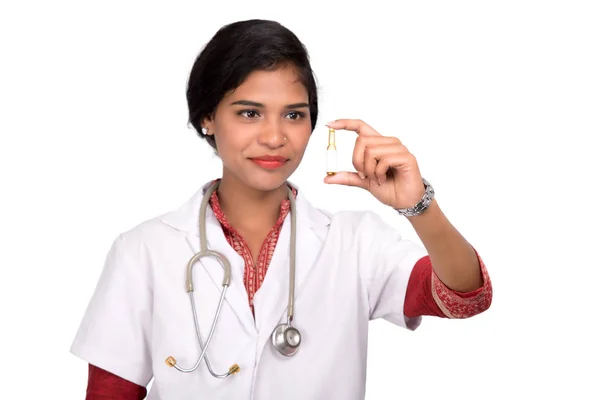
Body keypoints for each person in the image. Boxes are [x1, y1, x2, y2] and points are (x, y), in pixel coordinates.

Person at [71, 19, 492, 400]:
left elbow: (466, 297)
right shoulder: (144, 250)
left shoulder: (355, 242)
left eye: (293, 114)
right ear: (207, 118)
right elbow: (109, 394)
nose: (275, 137)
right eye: (250, 113)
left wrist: (418, 205)